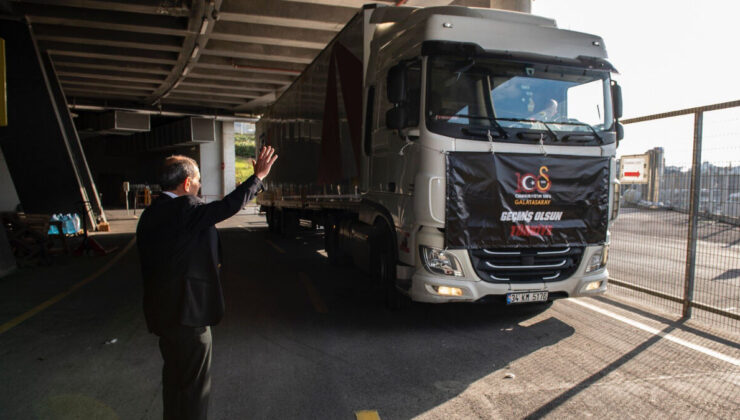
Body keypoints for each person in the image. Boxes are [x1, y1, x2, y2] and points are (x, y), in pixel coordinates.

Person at [136, 146, 277, 420]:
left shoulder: (151, 213)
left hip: (162, 315)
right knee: (194, 389)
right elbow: (226, 207)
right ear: (187, 182)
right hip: (188, 316)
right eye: (198, 180)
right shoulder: (186, 208)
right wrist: (257, 177)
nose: (200, 186)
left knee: (175, 381)